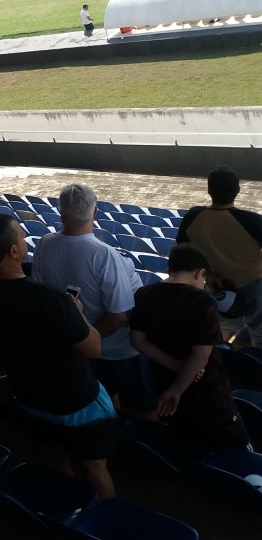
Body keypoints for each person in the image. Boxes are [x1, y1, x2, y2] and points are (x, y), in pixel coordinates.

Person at [0, 214, 118, 498]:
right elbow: (93, 349)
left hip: (29, 395)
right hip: (77, 402)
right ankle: (104, 519)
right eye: (21, 236)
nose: (24, 240)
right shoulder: (50, 299)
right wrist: (77, 313)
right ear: (13, 250)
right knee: (94, 468)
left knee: (55, 456)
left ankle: (71, 505)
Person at [32, 184, 156, 418]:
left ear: (62, 213)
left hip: (76, 349)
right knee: (144, 407)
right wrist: (87, 339)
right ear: (95, 212)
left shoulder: (44, 244)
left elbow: (43, 294)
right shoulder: (105, 254)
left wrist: (78, 341)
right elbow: (119, 315)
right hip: (117, 352)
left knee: (105, 401)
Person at [130, 243, 249, 452]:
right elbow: (201, 356)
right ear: (200, 273)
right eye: (204, 279)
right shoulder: (202, 300)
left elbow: (137, 340)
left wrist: (175, 367)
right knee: (234, 440)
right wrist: (176, 390)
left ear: (171, 269)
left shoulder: (144, 294)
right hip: (205, 388)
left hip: (162, 378)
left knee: (183, 434)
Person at [176, 166, 262, 346]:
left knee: (219, 323)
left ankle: (219, 352)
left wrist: (209, 273)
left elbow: (183, 250)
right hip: (254, 286)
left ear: (209, 190)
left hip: (217, 286)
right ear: (237, 191)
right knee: (258, 329)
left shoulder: (193, 217)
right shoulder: (253, 221)